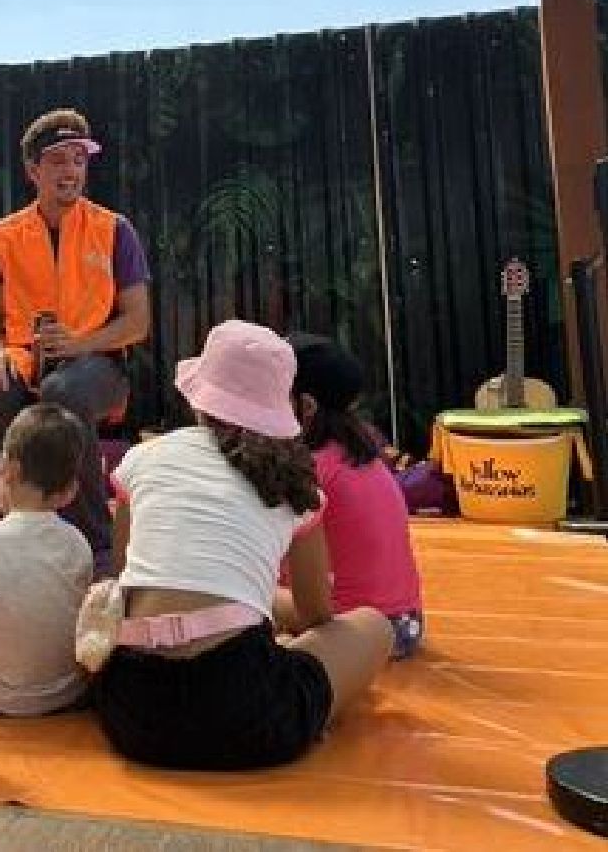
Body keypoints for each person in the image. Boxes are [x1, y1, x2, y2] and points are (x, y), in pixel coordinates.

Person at [97, 320, 393, 770]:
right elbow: (317, 615)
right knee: (375, 626)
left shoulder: (143, 459)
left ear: (198, 398)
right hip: (245, 715)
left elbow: (124, 582)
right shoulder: (295, 486)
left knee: (247, 603)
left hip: (132, 709)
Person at [0, 107, 151, 577]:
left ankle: (97, 543)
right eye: (58, 161)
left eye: (78, 160)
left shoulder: (115, 230)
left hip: (98, 362)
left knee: (65, 392)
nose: (70, 170)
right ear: (33, 171)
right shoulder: (3, 235)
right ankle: (1, 532)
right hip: (24, 358)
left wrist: (80, 342)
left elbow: (138, 322)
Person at [278, 333, 424, 659]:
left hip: (352, 630)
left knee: (240, 595)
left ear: (306, 406)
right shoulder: (361, 452)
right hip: (405, 622)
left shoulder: (308, 468)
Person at [0, 404, 94, 716]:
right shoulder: (79, 544)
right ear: (69, 492)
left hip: (1, 699)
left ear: (6, 469)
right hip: (68, 695)